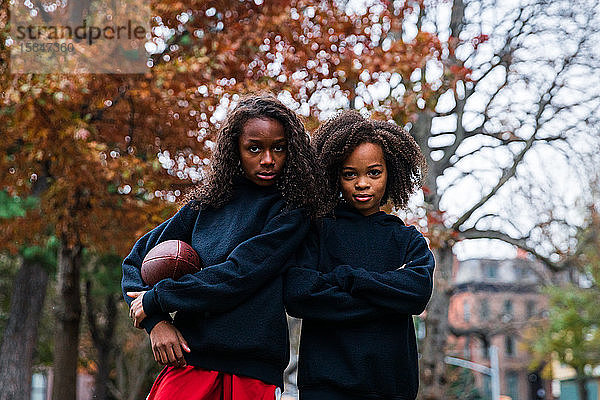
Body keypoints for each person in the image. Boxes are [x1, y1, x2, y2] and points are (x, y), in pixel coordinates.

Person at [122, 95, 325, 400]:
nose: (267, 159)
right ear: (236, 150)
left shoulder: (292, 212)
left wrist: (158, 299)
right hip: (189, 357)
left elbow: (240, 273)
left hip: (252, 369)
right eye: (254, 148)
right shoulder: (205, 205)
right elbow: (135, 260)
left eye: (278, 148)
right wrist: (157, 323)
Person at [285, 110, 435, 400]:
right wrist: (388, 297)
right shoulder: (318, 233)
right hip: (325, 388)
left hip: (391, 389)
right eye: (350, 174)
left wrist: (346, 277)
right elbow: (298, 294)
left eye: (373, 172)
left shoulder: (408, 240)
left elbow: (416, 294)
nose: (362, 183)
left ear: (391, 172)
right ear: (334, 176)